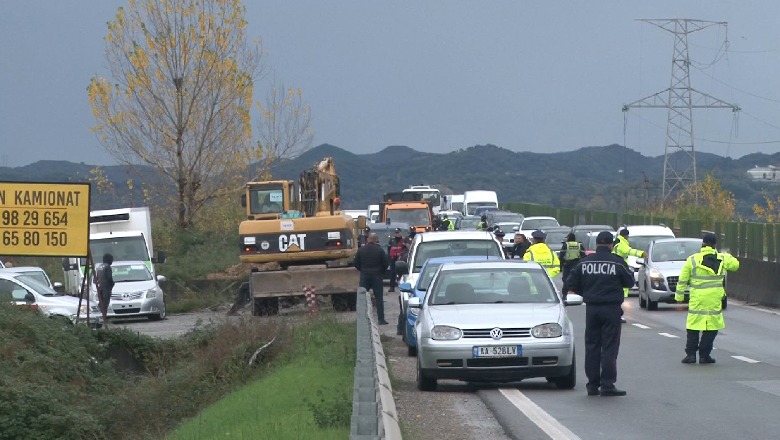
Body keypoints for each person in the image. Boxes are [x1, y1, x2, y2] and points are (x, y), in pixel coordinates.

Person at [567, 231, 635, 397]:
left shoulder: (584, 263)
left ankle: (592, 385)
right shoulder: (617, 263)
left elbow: (570, 282)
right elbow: (630, 282)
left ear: (596, 244)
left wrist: (587, 293)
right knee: (609, 347)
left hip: (592, 308)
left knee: (592, 346)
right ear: (611, 245)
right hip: (611, 309)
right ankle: (607, 384)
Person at [675, 233, 739, 364]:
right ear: (715, 245)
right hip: (714, 298)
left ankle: (691, 355)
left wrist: (679, 297)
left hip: (697, 299)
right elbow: (736, 265)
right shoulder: (722, 258)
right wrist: (727, 254)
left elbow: (682, 280)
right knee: (712, 327)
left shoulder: (692, 260)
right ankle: (704, 355)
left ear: (702, 244)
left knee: (693, 326)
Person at [353, 233, 391, 325]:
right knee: (379, 298)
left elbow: (356, 263)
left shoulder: (361, 250)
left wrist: (362, 270)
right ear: (376, 240)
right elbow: (386, 263)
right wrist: (381, 272)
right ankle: (381, 319)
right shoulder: (380, 250)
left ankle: (362, 320)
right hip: (377, 276)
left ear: (368, 240)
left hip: (365, 275)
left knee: (363, 298)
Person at [559, 232, 585, 300]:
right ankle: (578, 295)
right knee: (577, 280)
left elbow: (561, 256)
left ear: (568, 238)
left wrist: (561, 267)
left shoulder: (566, 245)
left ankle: (565, 296)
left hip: (567, 265)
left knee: (566, 280)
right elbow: (583, 255)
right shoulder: (579, 245)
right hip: (577, 265)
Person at [95, 253, 115, 328]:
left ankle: (100, 316)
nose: (112, 261)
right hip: (106, 287)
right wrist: (112, 284)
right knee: (105, 304)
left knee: (101, 303)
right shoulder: (107, 267)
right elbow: (109, 278)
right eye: (111, 259)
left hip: (100, 287)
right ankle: (104, 319)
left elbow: (95, 280)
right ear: (108, 260)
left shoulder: (99, 267)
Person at [387, 228, 407, 293]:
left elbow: (406, 249)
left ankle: (403, 287)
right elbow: (389, 249)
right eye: (396, 232)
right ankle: (392, 287)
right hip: (393, 258)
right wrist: (389, 257)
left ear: (400, 232)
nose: (397, 234)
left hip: (401, 259)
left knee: (402, 273)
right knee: (392, 273)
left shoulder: (404, 240)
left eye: (398, 232)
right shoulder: (392, 240)